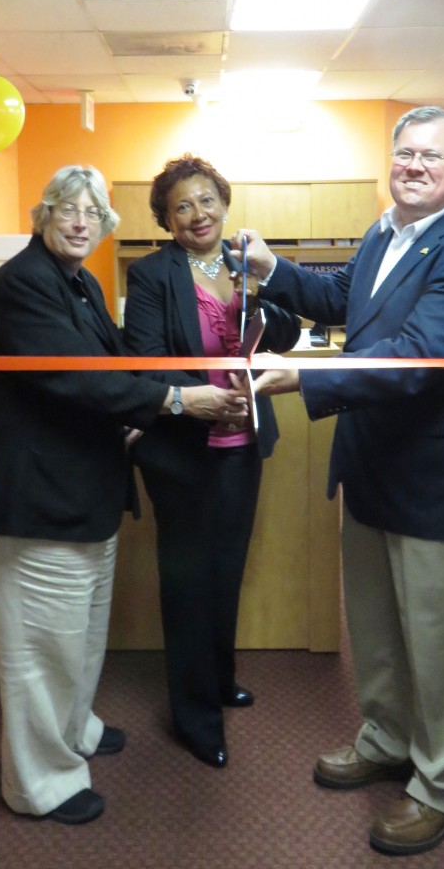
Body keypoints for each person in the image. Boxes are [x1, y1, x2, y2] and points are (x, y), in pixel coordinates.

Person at [233, 107, 444, 856]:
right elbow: (343, 298)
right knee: (379, 632)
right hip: (371, 472)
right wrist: (274, 273)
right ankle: (387, 740)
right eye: (403, 153)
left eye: (430, 156)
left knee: (442, 646)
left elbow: (418, 357)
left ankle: (442, 790)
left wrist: (308, 381)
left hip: (439, 485)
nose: (413, 166)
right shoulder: (384, 231)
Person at [0, 165, 248, 825]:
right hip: (33, 494)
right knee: (40, 650)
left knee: (79, 635)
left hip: (80, 488)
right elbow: (77, 378)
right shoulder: (25, 285)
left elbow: (116, 359)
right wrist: (175, 397)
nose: (80, 221)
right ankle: (39, 783)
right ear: (44, 213)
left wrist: (154, 393)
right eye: (68, 208)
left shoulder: (79, 280)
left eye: (93, 212)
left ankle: (75, 731)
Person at [122, 154, 301, 768]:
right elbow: (144, 360)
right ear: (166, 221)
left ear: (224, 205)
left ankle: (219, 681)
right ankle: (195, 717)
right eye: (182, 207)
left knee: (225, 571)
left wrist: (265, 304)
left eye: (206, 201)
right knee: (188, 584)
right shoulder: (151, 275)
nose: (198, 214)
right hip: (181, 452)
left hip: (243, 445)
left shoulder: (245, 264)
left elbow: (288, 333)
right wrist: (196, 399)